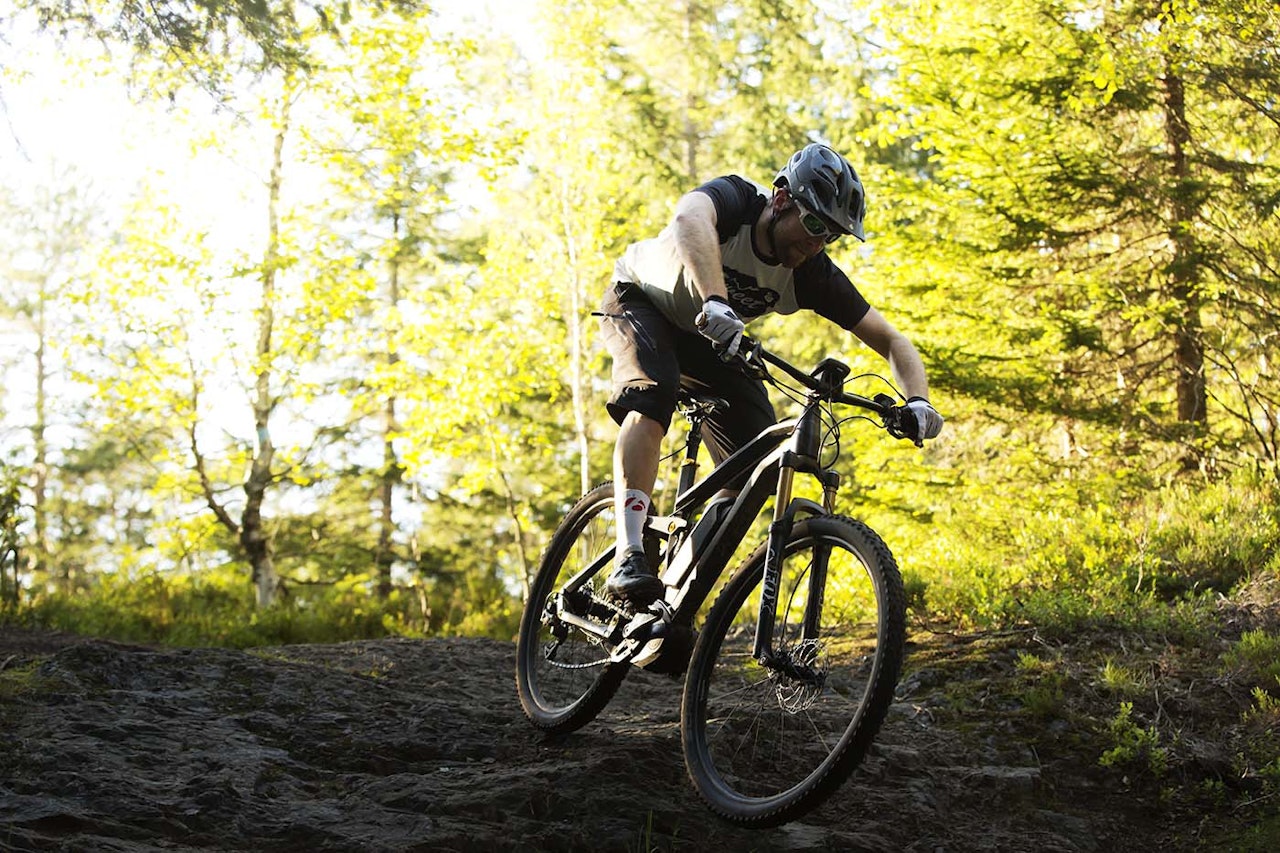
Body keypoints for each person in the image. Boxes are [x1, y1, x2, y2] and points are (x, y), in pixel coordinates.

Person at [597, 142, 944, 605]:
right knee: (652, 398)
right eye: (815, 224)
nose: (816, 243)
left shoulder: (810, 272)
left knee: (753, 467)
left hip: (710, 338)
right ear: (782, 199)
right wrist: (716, 299)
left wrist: (918, 400)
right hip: (640, 300)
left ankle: (672, 600)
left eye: (831, 235)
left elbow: (892, 341)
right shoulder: (739, 200)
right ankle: (630, 552)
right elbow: (689, 220)